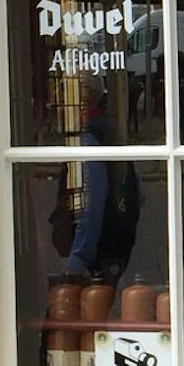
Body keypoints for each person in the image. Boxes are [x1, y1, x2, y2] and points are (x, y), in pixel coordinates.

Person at [52, 103, 142, 282]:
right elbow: (139, 192)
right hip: (117, 243)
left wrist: (78, 260)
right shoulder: (111, 132)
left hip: (96, 254)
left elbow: (90, 205)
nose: (56, 110)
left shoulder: (85, 142)